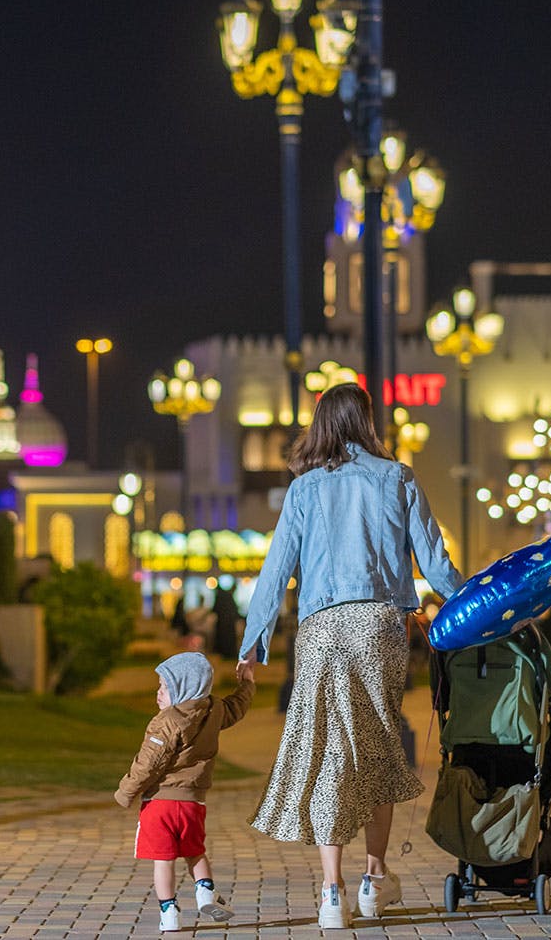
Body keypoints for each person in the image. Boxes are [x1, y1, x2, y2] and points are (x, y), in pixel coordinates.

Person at [236, 383, 463, 928]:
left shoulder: (305, 488)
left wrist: (253, 641)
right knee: (379, 744)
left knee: (332, 752)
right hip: (380, 624)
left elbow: (276, 568)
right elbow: (434, 563)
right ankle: (373, 879)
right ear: (366, 422)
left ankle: (331, 891)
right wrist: (476, 605)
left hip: (319, 629)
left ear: (321, 425)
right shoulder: (397, 478)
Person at [114, 652, 253, 932]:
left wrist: (125, 792)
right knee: (195, 852)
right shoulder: (214, 711)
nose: (158, 693)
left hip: (159, 805)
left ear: (182, 690)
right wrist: (247, 683)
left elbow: (148, 764)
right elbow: (237, 706)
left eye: (164, 688)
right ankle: (205, 891)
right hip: (193, 804)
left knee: (163, 861)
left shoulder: (166, 722)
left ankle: (170, 914)